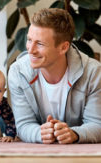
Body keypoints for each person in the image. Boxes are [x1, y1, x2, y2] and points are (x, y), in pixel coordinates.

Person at [8, 8, 101, 144]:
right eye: (29, 40)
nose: (31, 50)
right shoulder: (18, 72)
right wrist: (39, 133)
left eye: (39, 43)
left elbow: (97, 124)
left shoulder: (93, 72)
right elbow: (23, 125)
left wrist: (74, 133)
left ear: (63, 48)